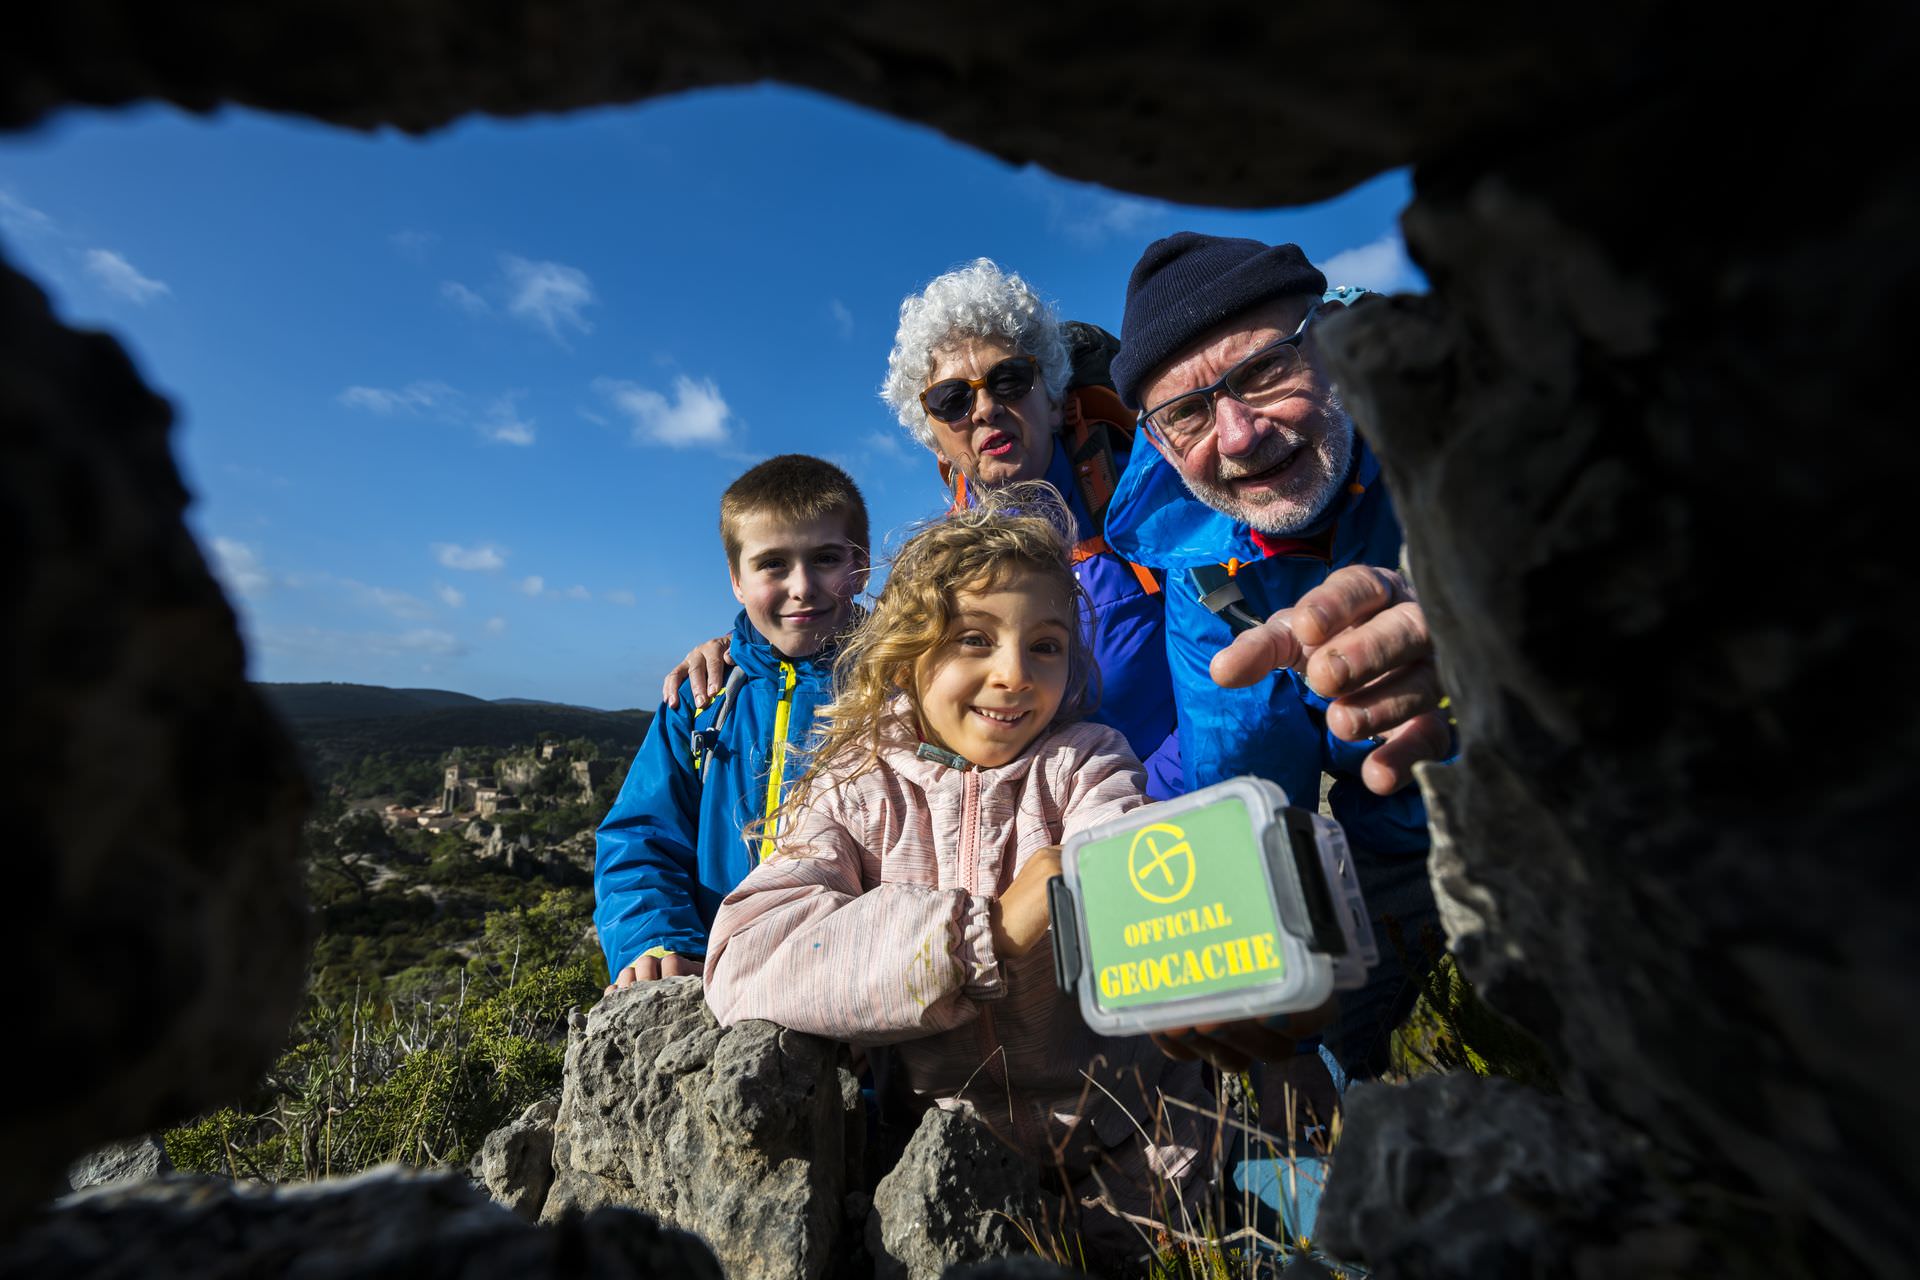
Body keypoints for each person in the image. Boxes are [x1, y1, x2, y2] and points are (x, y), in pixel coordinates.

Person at [703, 485, 1214, 1254]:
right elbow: (747, 956)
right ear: (907, 658)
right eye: (974, 639)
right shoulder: (855, 790)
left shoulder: (1087, 764)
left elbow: (1126, 867)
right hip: (943, 1178)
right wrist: (988, 937)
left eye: (1045, 644)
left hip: (1138, 1162)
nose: (1015, 673)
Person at [1103, 233, 1453, 1081]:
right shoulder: (1199, 568)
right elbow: (1250, 787)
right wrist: (1234, 955)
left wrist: (1493, 639)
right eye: (1186, 414)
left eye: (1263, 371)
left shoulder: (1458, 417)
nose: (1236, 434)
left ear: (1328, 339)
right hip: (1391, 859)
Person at [668, 260, 1183, 800]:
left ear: (1055, 401)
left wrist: (1135, 815)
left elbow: (1218, 675)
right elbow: (860, 653)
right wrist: (740, 650)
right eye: (952, 400)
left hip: (1157, 830)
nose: (985, 408)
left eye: (1010, 379)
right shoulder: (938, 566)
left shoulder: (1147, 503)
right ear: (936, 440)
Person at [593, 454, 869, 993]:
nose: (802, 586)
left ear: (859, 567)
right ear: (736, 581)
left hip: (862, 989)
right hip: (720, 984)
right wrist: (659, 942)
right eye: (772, 564)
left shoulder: (908, 684)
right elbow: (641, 839)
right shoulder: (701, 701)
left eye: (826, 558)